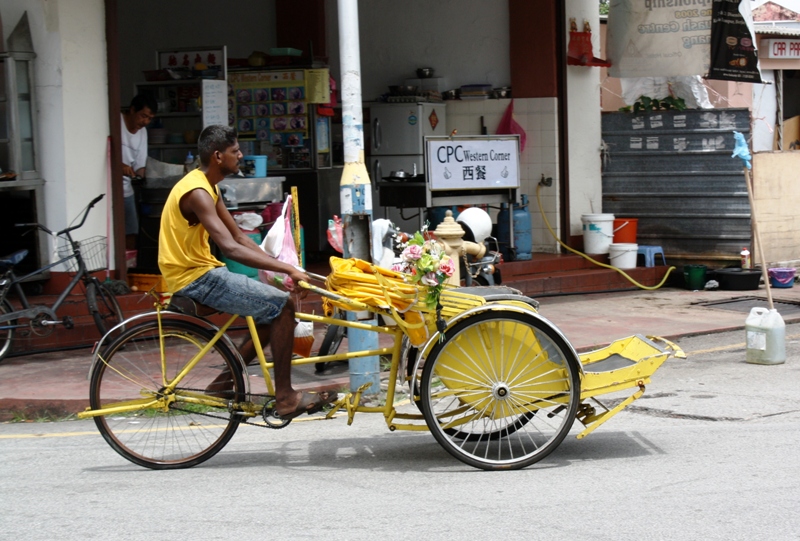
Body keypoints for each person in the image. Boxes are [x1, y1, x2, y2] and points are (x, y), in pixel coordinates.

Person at [158, 124, 336, 420]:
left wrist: (284, 271)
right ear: (217, 156)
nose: (240, 155)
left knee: (272, 307)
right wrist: (287, 268)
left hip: (202, 272)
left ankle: (222, 384)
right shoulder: (198, 193)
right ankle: (286, 398)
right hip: (196, 279)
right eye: (234, 151)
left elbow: (241, 237)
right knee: (283, 307)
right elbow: (230, 248)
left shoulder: (207, 186)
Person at [121, 93, 157, 250]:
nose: (145, 122)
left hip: (126, 189)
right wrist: (119, 165)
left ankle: (128, 268)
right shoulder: (115, 122)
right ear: (132, 110)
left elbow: (140, 165)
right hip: (107, 189)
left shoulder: (143, 132)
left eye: (149, 118)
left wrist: (146, 177)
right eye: (143, 116)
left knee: (131, 232)